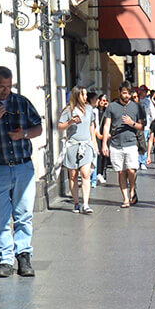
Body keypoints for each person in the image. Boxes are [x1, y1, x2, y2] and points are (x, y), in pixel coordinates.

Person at [0, 65, 42, 277]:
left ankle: (23, 257)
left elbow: (38, 128)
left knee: (23, 214)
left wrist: (24, 134)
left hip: (22, 167)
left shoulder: (21, 102)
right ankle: (5, 259)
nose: (5, 91)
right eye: (1, 86)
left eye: (9, 86)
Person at [101, 82, 145, 208]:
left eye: (129, 93)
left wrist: (132, 123)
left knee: (131, 170)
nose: (127, 96)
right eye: (125, 93)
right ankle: (125, 198)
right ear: (120, 92)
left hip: (131, 143)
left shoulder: (137, 107)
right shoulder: (111, 107)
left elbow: (142, 126)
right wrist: (104, 143)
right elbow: (106, 125)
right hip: (116, 143)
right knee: (120, 172)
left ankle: (132, 187)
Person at [58, 86, 95, 214]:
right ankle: (76, 203)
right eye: (83, 94)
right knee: (73, 176)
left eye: (86, 95)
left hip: (86, 145)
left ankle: (85, 204)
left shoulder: (89, 109)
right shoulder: (69, 110)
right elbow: (59, 126)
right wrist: (70, 122)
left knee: (85, 173)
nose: (85, 97)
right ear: (77, 95)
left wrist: (94, 144)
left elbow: (92, 126)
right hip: (73, 145)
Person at [136, 85, 155, 171]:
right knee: (136, 143)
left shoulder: (148, 102)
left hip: (145, 126)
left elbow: (153, 113)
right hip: (136, 125)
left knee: (143, 144)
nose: (142, 93)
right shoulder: (136, 101)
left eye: (143, 91)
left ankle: (142, 161)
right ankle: (137, 161)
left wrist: (152, 124)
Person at [93, 93, 110, 185]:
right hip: (97, 134)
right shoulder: (94, 111)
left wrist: (107, 108)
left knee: (105, 154)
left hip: (105, 135)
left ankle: (103, 173)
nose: (103, 102)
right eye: (102, 100)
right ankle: (97, 173)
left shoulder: (106, 112)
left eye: (105, 101)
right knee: (98, 153)